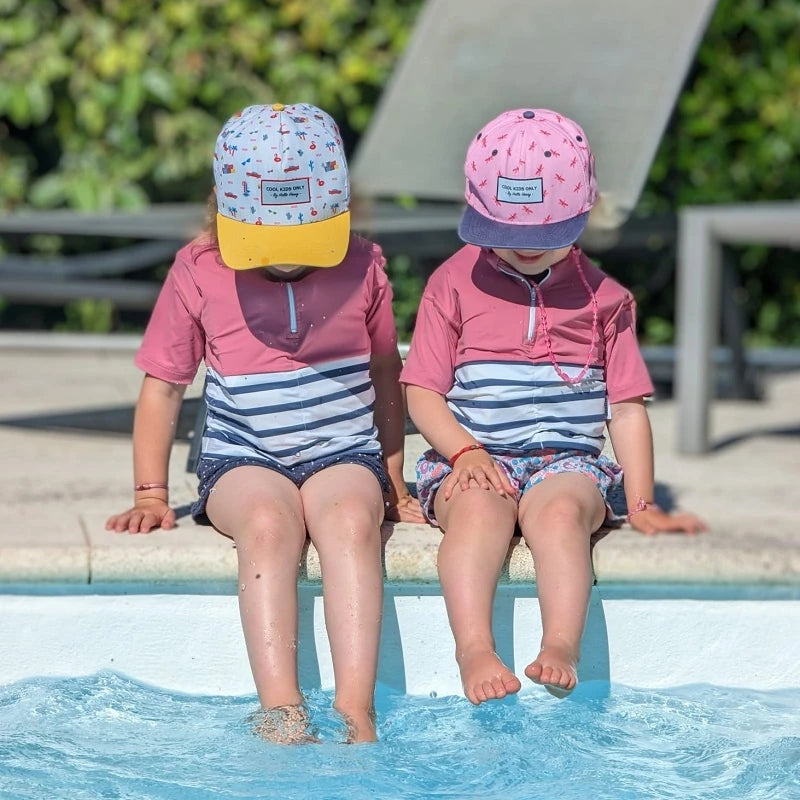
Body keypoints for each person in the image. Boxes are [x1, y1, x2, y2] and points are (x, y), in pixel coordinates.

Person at [106, 102, 423, 743]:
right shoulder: (200, 270)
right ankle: (281, 710)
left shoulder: (363, 265)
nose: (286, 261)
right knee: (269, 524)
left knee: (353, 521)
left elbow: (387, 371)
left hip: (343, 452)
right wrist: (150, 493)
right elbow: (165, 387)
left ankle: (356, 710)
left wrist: (391, 474)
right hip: (243, 457)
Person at [400, 108, 707, 705]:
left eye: (543, 237)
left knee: (562, 514)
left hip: (567, 463)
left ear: (585, 215)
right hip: (473, 456)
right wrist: (463, 450)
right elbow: (422, 390)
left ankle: (562, 643)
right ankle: (474, 648)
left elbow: (626, 408)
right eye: (507, 237)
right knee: (479, 514)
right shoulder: (452, 283)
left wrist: (640, 503)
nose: (524, 252)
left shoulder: (606, 299)